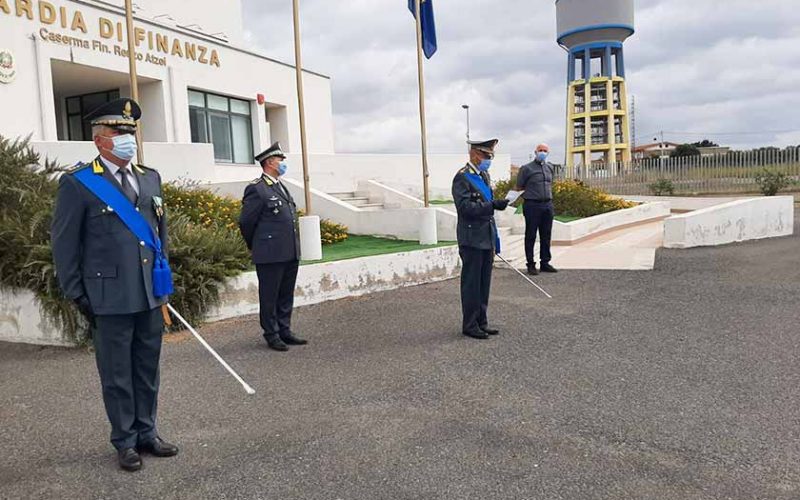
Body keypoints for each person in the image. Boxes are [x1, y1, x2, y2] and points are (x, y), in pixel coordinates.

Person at [51, 98, 178, 472]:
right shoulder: (78, 183)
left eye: (130, 133)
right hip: (107, 296)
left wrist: (163, 281)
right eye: (118, 133)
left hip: (149, 293)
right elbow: (64, 244)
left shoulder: (150, 177)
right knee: (117, 374)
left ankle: (147, 432)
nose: (127, 139)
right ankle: (124, 441)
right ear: (99, 141)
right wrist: (77, 294)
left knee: (146, 369)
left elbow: (159, 235)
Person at [239, 141, 307, 352]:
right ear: (269, 162)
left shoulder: (280, 186)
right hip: (270, 253)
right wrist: (258, 245)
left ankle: (284, 330)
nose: (282, 163)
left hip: (288, 251)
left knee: (285, 294)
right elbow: (246, 222)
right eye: (279, 160)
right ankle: (271, 334)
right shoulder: (256, 189)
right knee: (270, 296)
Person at [451, 139, 510, 340]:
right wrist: (492, 205)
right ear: (475, 154)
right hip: (471, 237)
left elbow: (486, 206)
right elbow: (465, 208)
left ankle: (481, 321)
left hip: (486, 235)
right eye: (486, 156)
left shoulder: (483, 175)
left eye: (490, 156)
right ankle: (469, 324)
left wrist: (493, 206)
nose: (488, 160)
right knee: (471, 283)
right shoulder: (462, 178)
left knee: (484, 282)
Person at [516, 143, 558, 275]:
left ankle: (545, 262)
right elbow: (520, 186)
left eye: (545, 151)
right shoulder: (526, 169)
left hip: (547, 204)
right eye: (540, 150)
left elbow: (551, 183)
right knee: (531, 235)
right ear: (535, 152)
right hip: (532, 205)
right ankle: (530, 264)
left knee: (546, 235)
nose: (542, 152)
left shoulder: (549, 167)